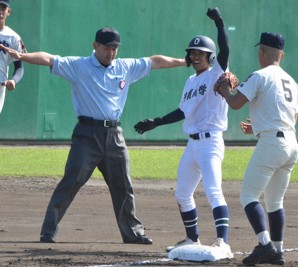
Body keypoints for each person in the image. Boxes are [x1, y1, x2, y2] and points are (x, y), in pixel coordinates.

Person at [0, 27, 187, 244]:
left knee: (123, 186)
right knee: (71, 182)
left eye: (115, 48)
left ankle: (133, 233)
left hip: (115, 136)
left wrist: (182, 62)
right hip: (87, 135)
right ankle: (48, 231)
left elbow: (155, 61)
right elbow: (49, 59)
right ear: (95, 46)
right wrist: (21, 56)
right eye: (107, 48)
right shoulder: (79, 66)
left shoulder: (125, 67)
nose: (111, 52)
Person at [134, 7, 232, 256]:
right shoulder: (190, 82)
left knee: (213, 191)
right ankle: (192, 238)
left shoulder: (216, 74)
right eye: (192, 53)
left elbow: (225, 50)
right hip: (192, 144)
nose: (195, 56)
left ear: (209, 56)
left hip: (211, 142)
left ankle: (223, 242)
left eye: (200, 53)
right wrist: (156, 121)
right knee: (182, 193)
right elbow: (183, 111)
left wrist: (219, 24)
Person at [214, 32, 298, 265]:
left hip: (273, 144)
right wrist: (259, 126)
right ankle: (278, 251)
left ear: (261, 52)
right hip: (292, 144)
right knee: (275, 201)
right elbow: (292, 118)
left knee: (249, 196)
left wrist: (224, 89)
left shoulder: (259, 76)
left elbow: (234, 103)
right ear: (281, 55)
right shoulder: (292, 82)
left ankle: (265, 246)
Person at [0, 0, 26, 113]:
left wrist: (14, 80)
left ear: (8, 11)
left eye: (3, 8)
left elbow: (19, 67)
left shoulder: (13, 38)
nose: (0, 11)